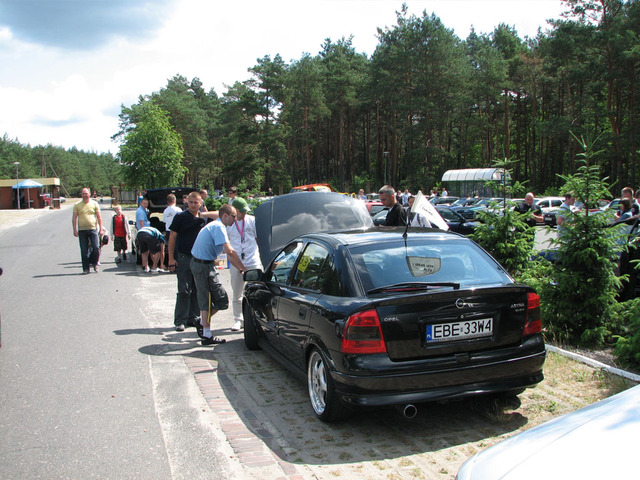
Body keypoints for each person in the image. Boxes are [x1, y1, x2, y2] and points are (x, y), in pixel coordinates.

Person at [190, 204, 246, 345]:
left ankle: (201, 321)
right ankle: (207, 335)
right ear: (225, 216)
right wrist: (243, 269)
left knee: (222, 301)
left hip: (207, 264)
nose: (235, 219)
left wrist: (203, 214)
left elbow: (217, 213)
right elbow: (230, 252)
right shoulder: (219, 227)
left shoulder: (219, 222)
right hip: (201, 265)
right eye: (233, 216)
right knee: (205, 300)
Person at [168, 191, 207, 333]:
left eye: (196, 202)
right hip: (184, 257)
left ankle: (193, 317)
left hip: (200, 258)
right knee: (184, 289)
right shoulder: (180, 217)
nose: (193, 205)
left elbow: (221, 215)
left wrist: (205, 213)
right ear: (187, 202)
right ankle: (180, 320)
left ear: (201, 203)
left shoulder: (203, 218)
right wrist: (171, 258)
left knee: (197, 289)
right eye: (191, 202)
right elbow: (172, 237)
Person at [227, 198, 262, 331]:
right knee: (237, 293)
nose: (244, 214)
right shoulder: (229, 224)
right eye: (241, 212)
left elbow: (258, 239)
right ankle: (238, 320)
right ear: (235, 210)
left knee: (257, 292)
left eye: (245, 211)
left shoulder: (252, 220)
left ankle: (257, 319)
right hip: (237, 263)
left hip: (253, 261)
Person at [72, 187, 103, 274]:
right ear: (81, 194)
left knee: (96, 247)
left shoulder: (94, 204)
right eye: (83, 193)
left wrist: (101, 229)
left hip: (93, 229)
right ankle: (86, 268)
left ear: (89, 194)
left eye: (86, 193)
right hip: (82, 230)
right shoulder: (77, 205)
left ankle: (94, 262)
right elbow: (74, 218)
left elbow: (99, 217)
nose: (85, 195)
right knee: (84, 250)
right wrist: (74, 229)